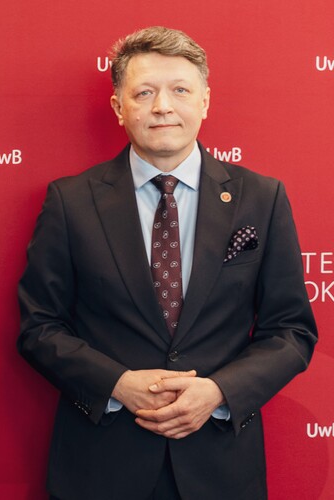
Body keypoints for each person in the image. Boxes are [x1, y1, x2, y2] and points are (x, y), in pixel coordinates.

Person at [17, 26, 317, 500]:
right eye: (144, 93)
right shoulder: (70, 202)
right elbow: (40, 327)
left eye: (180, 90)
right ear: (119, 107)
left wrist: (219, 392)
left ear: (205, 101)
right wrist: (118, 384)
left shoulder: (262, 199)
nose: (162, 106)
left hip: (220, 466)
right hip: (101, 466)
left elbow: (291, 331)